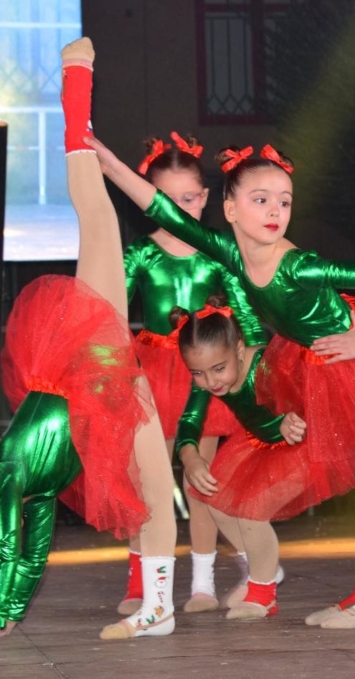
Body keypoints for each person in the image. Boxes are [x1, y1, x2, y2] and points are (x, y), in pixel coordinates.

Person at [90, 137, 355, 630]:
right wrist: (110, 164)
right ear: (230, 209)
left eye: (284, 202)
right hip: (333, 363)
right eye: (261, 199)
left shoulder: (297, 265)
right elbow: (165, 211)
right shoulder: (230, 253)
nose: (275, 211)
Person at [0, 37, 179, 646]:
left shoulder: (5, 476)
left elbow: (6, 550)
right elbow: (29, 554)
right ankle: (158, 608)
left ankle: (76, 83)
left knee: (98, 218)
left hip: (89, 370)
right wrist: (0, 625)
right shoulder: (30, 491)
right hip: (102, 396)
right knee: (155, 491)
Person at [119, 132, 267, 616]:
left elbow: (246, 316)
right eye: (166, 200)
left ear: (204, 199)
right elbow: (113, 310)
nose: (179, 209)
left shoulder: (217, 252)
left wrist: (251, 365)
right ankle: (141, 581)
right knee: (147, 481)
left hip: (204, 375)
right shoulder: (141, 253)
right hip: (151, 373)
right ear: (148, 199)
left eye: (188, 199)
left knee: (199, 478)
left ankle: (202, 583)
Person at [171, 295, 355, 618]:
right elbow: (189, 422)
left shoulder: (265, 364)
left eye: (218, 369)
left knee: (251, 512)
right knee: (215, 501)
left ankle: (263, 594)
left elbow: (308, 392)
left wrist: (289, 418)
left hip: (302, 442)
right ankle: (264, 569)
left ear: (239, 349)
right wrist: (191, 458)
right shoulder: (207, 381)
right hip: (260, 442)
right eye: (198, 373)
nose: (210, 382)